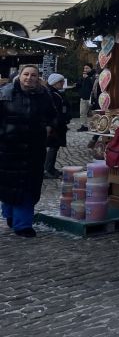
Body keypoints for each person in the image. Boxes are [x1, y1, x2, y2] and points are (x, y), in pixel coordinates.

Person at [0, 65, 57, 237]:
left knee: (28, 186)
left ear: (38, 77)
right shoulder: (4, 93)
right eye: (26, 74)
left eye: (33, 75)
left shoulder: (44, 95)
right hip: (8, 148)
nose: (29, 78)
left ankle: (22, 225)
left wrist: (48, 127)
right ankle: (10, 214)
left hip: (34, 149)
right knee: (9, 184)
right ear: (19, 75)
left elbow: (53, 115)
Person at [45, 73, 71, 178]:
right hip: (55, 125)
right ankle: (47, 170)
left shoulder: (56, 93)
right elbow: (53, 111)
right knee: (53, 146)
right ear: (55, 83)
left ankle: (50, 168)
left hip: (58, 124)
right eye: (61, 81)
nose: (63, 83)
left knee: (55, 146)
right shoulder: (52, 94)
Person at [77, 64, 95, 131]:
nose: (85, 70)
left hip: (91, 97)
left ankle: (95, 126)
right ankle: (84, 126)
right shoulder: (82, 77)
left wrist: (87, 78)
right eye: (84, 68)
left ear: (91, 68)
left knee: (94, 113)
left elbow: (93, 85)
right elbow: (78, 85)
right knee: (82, 112)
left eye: (87, 68)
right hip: (83, 97)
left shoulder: (93, 76)